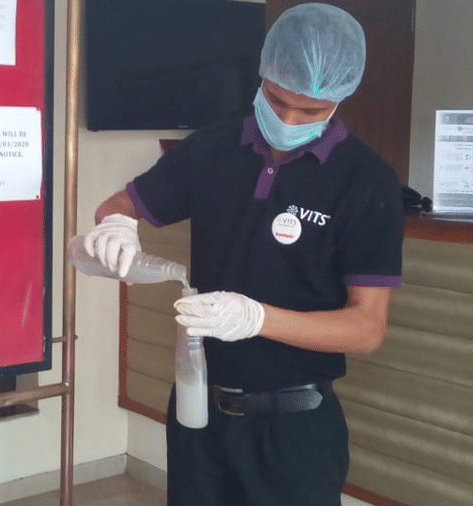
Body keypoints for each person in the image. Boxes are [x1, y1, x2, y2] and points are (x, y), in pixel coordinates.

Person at [81, 4, 404, 506]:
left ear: (340, 99)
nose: (289, 119)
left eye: (311, 111)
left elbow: (367, 329)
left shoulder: (366, 183)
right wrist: (117, 224)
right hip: (197, 410)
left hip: (294, 431)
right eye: (276, 101)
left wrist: (255, 318)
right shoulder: (213, 148)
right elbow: (120, 203)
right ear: (263, 74)